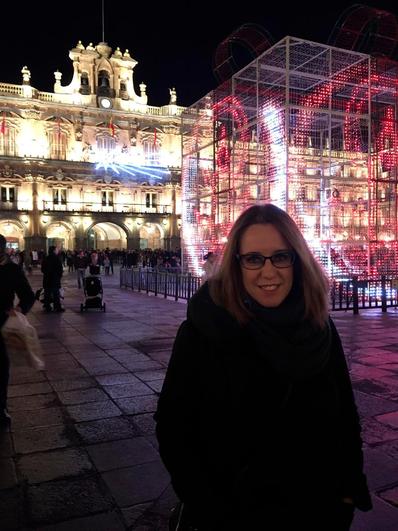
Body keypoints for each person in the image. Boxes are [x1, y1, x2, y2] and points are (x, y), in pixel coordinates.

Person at [155, 204, 372, 531]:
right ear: (236, 264)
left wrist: (346, 496)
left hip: (317, 513)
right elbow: (174, 427)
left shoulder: (319, 327)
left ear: (297, 261)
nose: (268, 272)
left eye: (281, 257)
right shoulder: (204, 330)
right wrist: (210, 509)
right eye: (254, 258)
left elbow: (344, 416)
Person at [0, 234, 35, 427]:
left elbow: (28, 296)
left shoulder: (12, 270)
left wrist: (18, 310)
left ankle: (1, 406)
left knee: (1, 366)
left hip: (2, 322)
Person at [41, 246, 64, 312]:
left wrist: (47, 273)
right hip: (55, 279)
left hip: (47, 279)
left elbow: (42, 269)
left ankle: (47, 307)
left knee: (47, 294)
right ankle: (57, 307)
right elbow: (60, 269)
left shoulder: (46, 258)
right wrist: (58, 277)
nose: (57, 251)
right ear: (54, 250)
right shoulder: (57, 259)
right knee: (56, 294)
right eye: (56, 250)